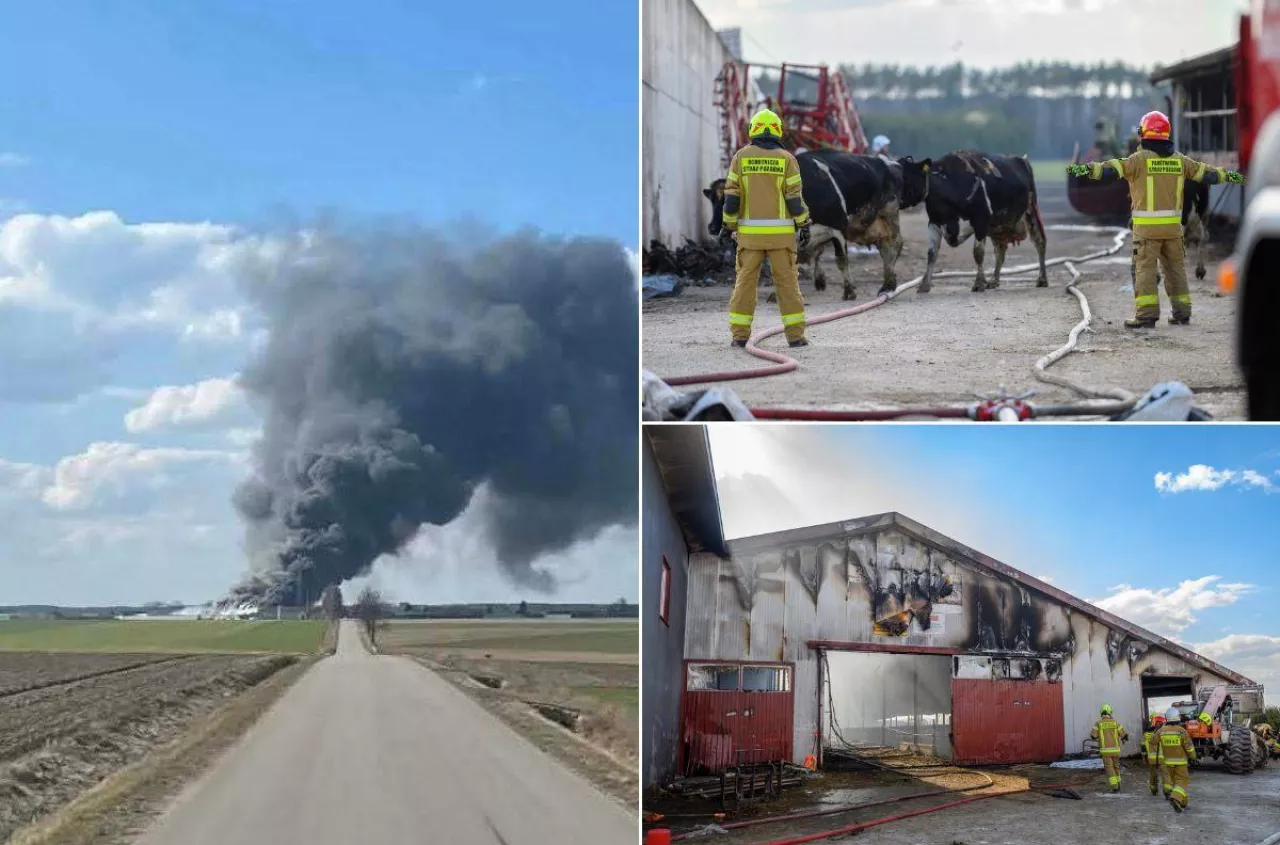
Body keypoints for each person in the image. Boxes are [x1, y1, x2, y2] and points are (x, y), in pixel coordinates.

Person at [1068, 111, 1245, 328]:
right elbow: (1206, 173)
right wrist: (1232, 175)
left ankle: (1146, 316)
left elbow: (1110, 169)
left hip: (1147, 232)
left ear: (1144, 133)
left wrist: (1083, 170)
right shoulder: (1180, 161)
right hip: (1173, 230)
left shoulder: (1137, 160)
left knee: (1144, 270)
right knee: (1175, 271)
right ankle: (1182, 313)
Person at [721, 108, 811, 349]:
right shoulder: (787, 159)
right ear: (778, 131)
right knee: (788, 286)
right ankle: (795, 337)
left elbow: (731, 199)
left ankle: (739, 337)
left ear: (753, 130)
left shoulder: (741, 157)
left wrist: (727, 225)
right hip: (781, 240)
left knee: (745, 285)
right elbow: (794, 200)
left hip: (750, 240)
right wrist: (804, 223)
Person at [1156, 706, 1197, 813]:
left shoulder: (1162, 731)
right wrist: (1193, 757)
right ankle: (1175, 798)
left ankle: (1183, 803)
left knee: (1177, 784)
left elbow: (1152, 741)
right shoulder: (1181, 731)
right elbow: (1189, 746)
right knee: (1183, 781)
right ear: (1177, 717)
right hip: (1181, 762)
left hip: (1168, 763)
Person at [1091, 703, 1128, 791]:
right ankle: (1118, 783)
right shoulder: (1116, 723)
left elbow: (1093, 736)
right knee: (1116, 766)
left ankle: (1114, 786)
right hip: (1116, 750)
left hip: (1105, 751)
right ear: (1110, 712)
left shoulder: (1098, 724)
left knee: (1109, 768)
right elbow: (1124, 736)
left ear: (1101, 713)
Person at [1142, 714, 1166, 795]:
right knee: (1165, 775)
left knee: (1153, 775)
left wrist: (1144, 758)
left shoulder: (1146, 735)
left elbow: (1143, 747)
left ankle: (1153, 789)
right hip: (1163, 759)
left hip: (1151, 759)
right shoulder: (1164, 733)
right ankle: (1167, 791)